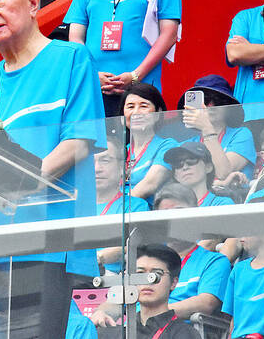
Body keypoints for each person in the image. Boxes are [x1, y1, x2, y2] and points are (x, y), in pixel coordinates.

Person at [0, 0, 104, 338]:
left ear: (33, 1)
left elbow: (79, 142)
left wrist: (23, 183)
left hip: (44, 244)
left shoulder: (71, 58)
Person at [92, 186, 232, 330]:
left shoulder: (214, 262)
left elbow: (206, 303)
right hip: (138, 330)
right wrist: (101, 312)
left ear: (195, 216)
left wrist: (154, 313)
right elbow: (117, 300)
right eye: (166, 216)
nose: (173, 220)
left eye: (179, 213)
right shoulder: (145, 260)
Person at [178, 75, 258, 180]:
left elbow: (223, 173)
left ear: (229, 107)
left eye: (218, 101)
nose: (210, 105)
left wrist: (207, 128)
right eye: (205, 100)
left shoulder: (241, 134)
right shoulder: (186, 145)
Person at [94, 134, 150, 274]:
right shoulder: (72, 207)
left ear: (122, 167)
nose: (96, 168)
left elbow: (137, 245)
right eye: (91, 161)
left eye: (105, 160)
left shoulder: (135, 206)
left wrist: (100, 257)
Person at [120, 83, 176, 205]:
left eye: (143, 106)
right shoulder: (119, 151)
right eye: (130, 107)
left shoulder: (168, 146)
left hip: (149, 216)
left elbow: (150, 184)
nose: (136, 112)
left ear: (158, 113)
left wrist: (118, 208)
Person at [131, 244, 202, 339]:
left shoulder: (185, 335)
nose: (148, 281)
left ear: (173, 283)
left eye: (157, 274)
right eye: (140, 273)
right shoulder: (121, 331)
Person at [166, 143, 236, 206]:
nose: (185, 167)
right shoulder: (169, 207)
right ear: (175, 175)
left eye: (191, 160)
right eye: (178, 163)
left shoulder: (222, 204)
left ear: (208, 167)